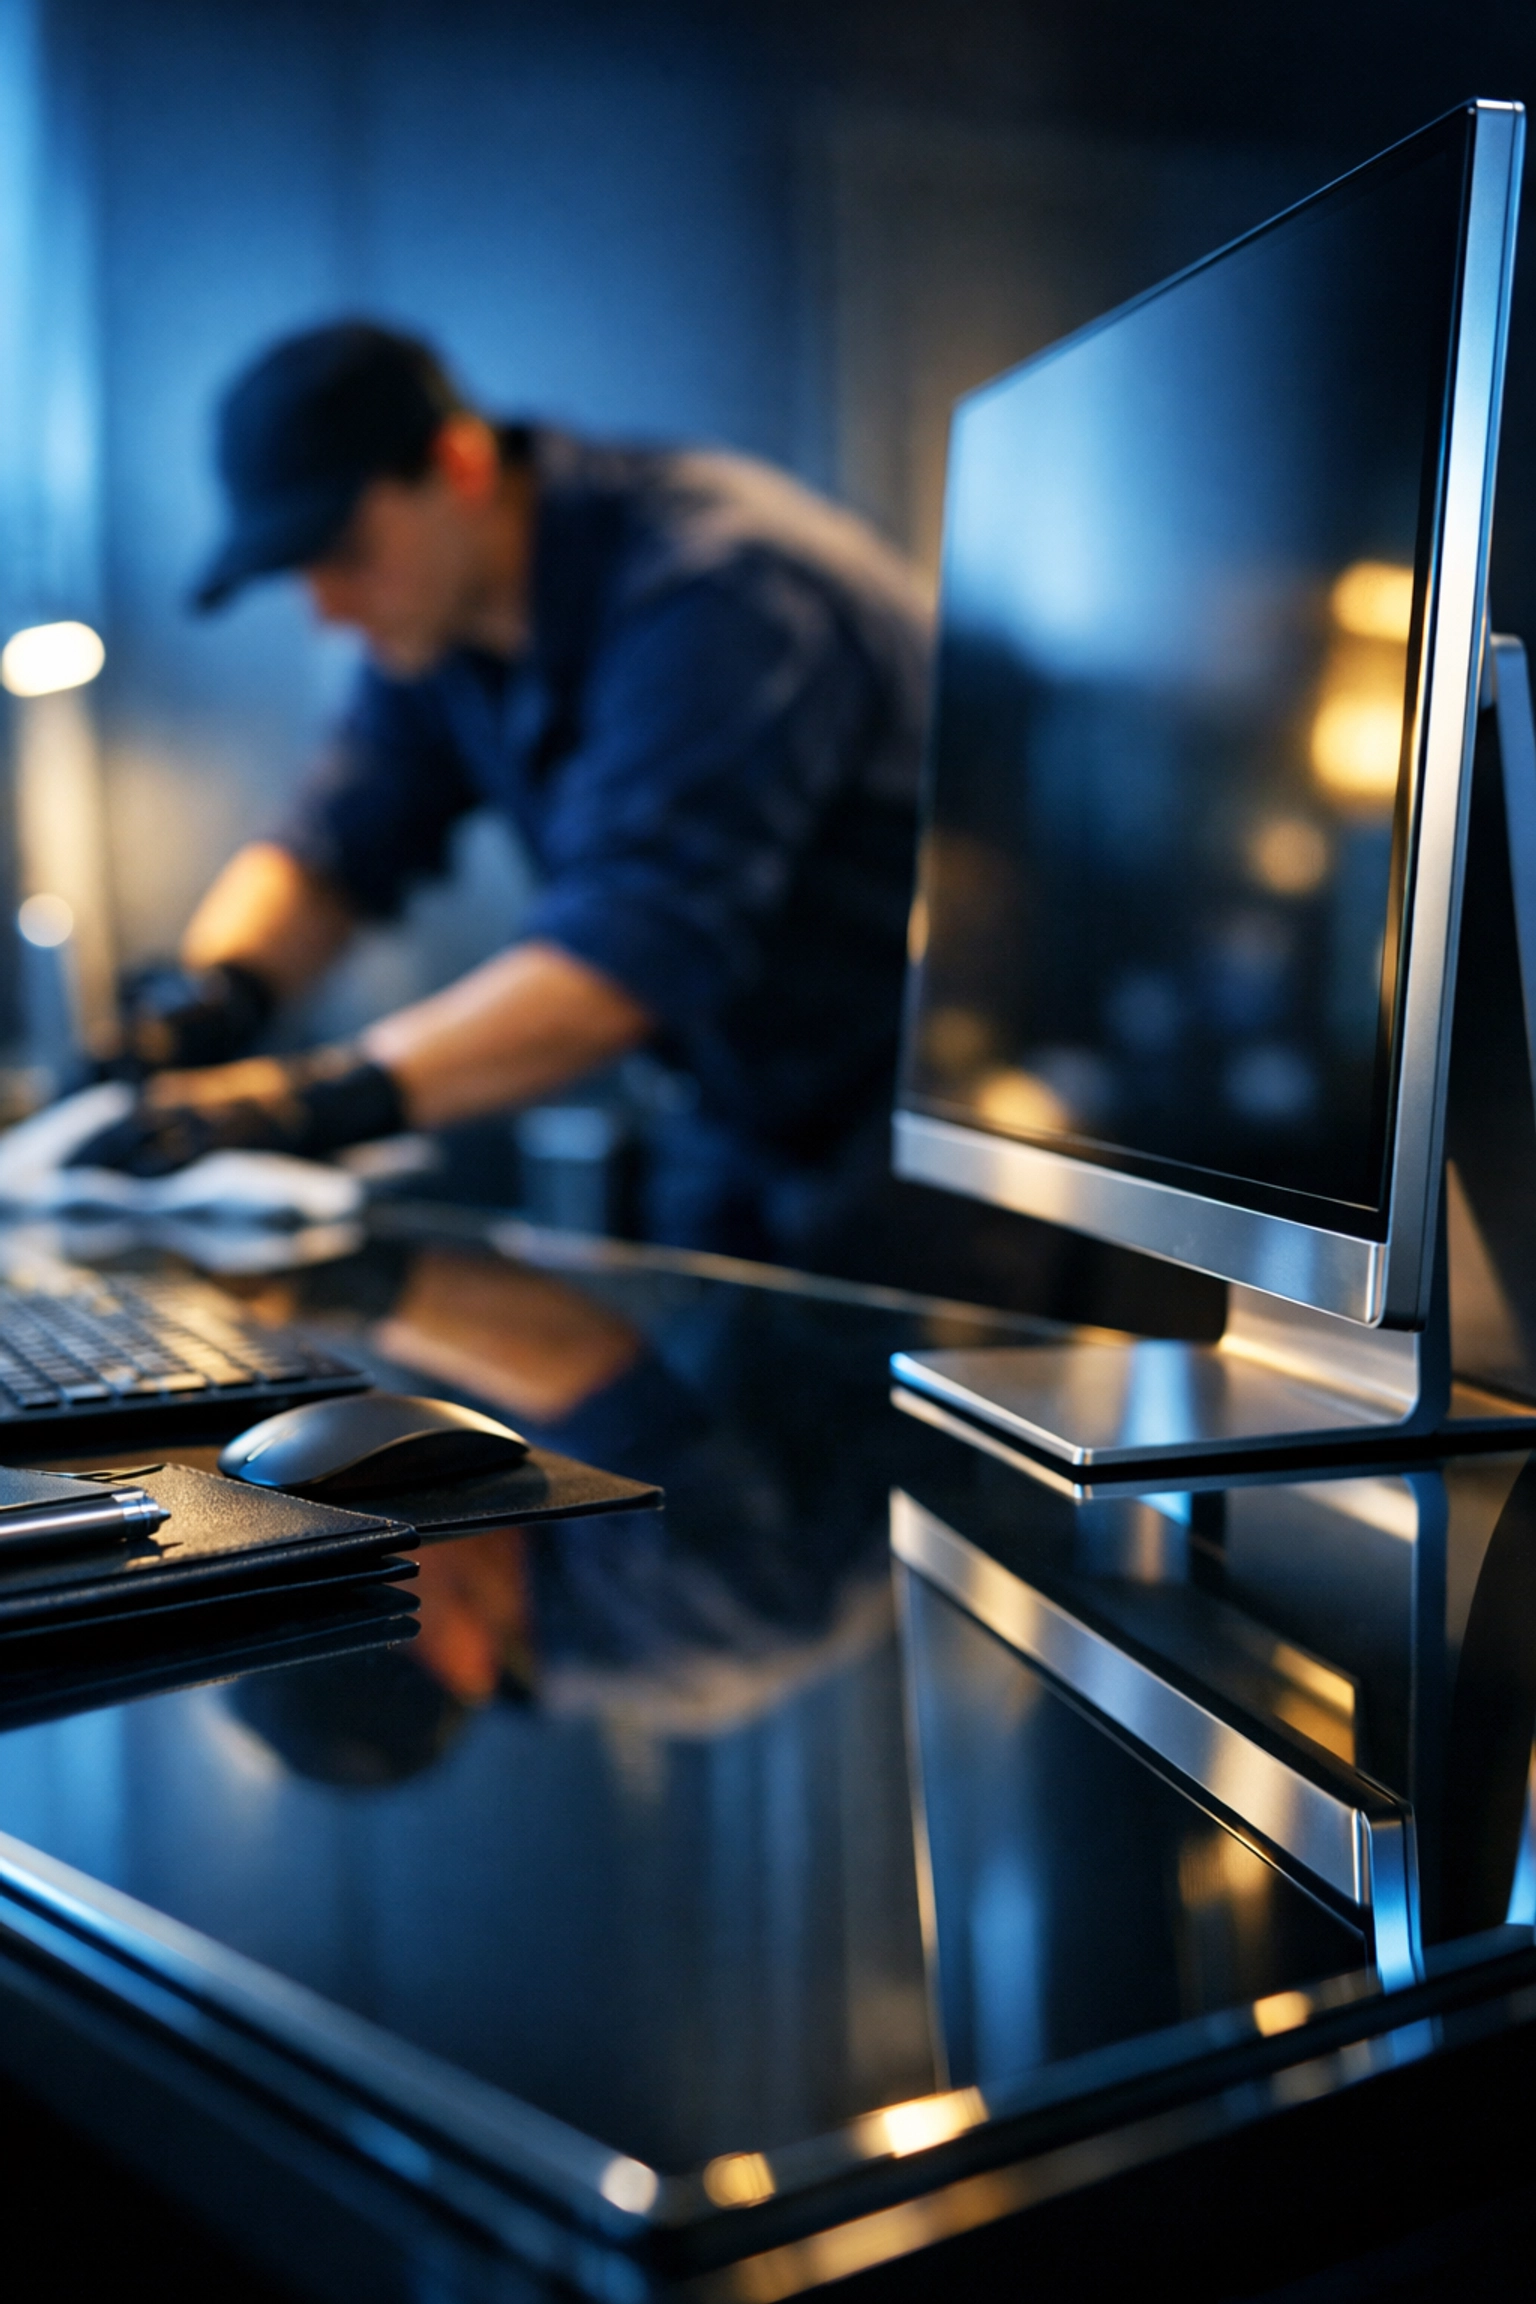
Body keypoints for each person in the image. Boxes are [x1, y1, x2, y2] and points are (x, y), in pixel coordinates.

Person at [73, 321, 934, 1265]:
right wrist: (210, 998)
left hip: (913, 1142)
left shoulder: (722, 591)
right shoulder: (437, 622)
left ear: (459, 467)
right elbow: (333, 843)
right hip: (736, 1118)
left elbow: (625, 953)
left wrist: (301, 1105)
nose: (323, 609)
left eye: (344, 551)